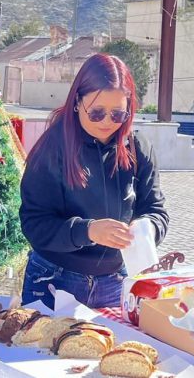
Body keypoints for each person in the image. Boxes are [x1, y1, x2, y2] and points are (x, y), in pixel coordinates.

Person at [19, 53, 169, 309]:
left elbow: (156, 210)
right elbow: (34, 223)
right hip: (54, 278)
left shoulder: (137, 147)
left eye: (119, 114)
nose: (108, 123)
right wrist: (87, 231)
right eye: (97, 113)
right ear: (77, 102)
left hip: (117, 280)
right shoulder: (52, 149)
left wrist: (146, 228)